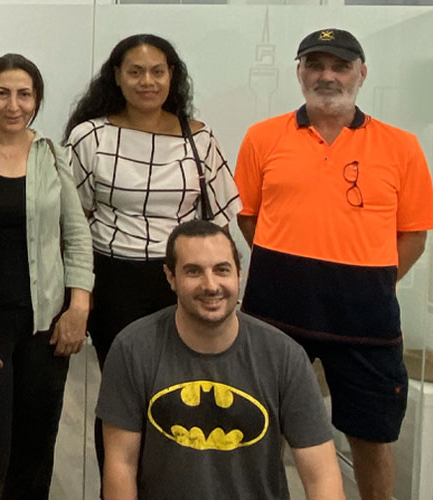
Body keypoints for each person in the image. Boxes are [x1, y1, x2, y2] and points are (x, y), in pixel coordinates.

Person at [234, 28, 433, 500]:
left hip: (366, 321)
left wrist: (368, 280)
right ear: (299, 72)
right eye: (316, 65)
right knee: (261, 431)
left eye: (340, 65)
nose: (328, 75)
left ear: (361, 74)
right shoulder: (262, 137)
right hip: (274, 317)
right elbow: (247, 218)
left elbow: (414, 236)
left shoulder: (401, 146)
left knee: (372, 437)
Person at [62, 33, 240, 472]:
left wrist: (213, 280)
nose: (147, 81)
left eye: (157, 71)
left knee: (186, 391)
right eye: (136, 72)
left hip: (185, 282)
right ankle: (118, 484)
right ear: (117, 79)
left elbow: (220, 220)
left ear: (172, 77)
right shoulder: (91, 136)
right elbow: (70, 220)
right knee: (125, 391)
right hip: (114, 281)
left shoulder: (199, 138)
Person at [97, 220, 346, 500]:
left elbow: (321, 475)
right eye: (193, 272)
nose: (211, 285)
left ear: (239, 274)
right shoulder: (133, 349)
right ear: (170, 277)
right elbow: (121, 464)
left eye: (222, 270)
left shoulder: (284, 356)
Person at [0, 53, 93, 499]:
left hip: (46, 321)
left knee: (37, 441)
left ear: (37, 99)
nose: (13, 104)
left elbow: (77, 236)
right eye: (3, 93)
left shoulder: (52, 156)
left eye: (24, 94)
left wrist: (78, 306)